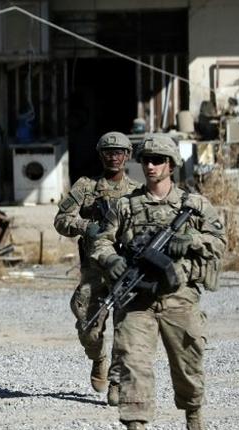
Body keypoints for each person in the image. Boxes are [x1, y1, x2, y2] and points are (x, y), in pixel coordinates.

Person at [91, 134, 226, 430]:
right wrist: (111, 260)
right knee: (132, 364)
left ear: (171, 165)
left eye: (158, 160)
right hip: (137, 300)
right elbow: (101, 242)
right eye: (146, 160)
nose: (150, 166)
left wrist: (191, 238)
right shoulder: (125, 205)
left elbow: (219, 243)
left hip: (179, 298)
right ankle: (136, 424)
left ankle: (194, 417)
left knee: (188, 367)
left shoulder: (195, 204)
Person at [54, 131, 140, 405]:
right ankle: (98, 358)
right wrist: (85, 226)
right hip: (94, 270)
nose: (114, 157)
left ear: (127, 155)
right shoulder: (86, 186)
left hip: (127, 269)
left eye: (119, 152)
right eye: (108, 152)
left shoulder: (138, 191)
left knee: (127, 330)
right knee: (88, 328)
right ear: (100, 155)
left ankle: (116, 380)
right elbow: (61, 219)